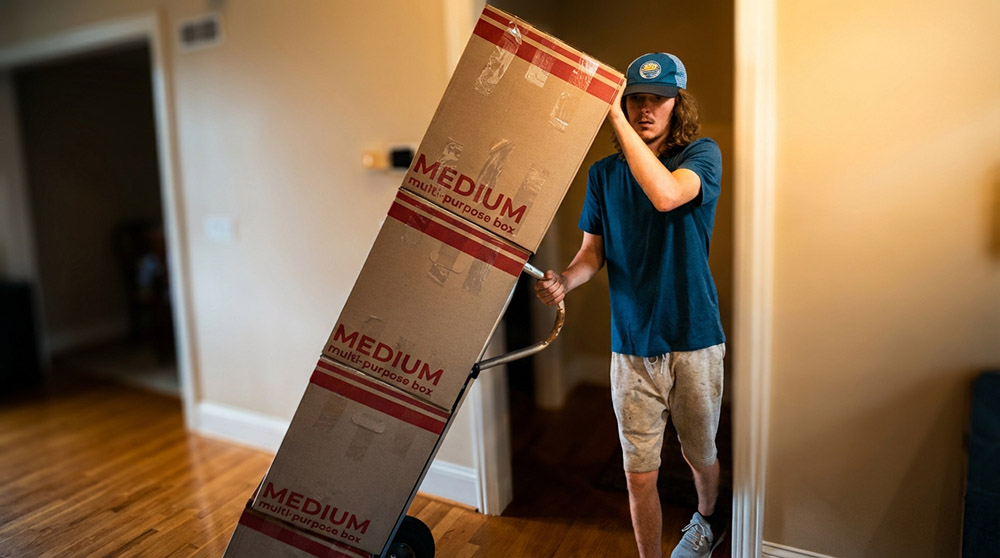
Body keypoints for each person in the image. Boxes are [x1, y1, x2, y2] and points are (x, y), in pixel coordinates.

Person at [535, 52, 727, 558]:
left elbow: (665, 195)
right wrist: (566, 282)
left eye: (657, 99)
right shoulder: (603, 175)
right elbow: (591, 252)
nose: (645, 109)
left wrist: (611, 114)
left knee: (699, 453)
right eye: (635, 99)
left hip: (695, 337)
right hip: (632, 346)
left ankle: (708, 522)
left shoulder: (701, 156)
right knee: (637, 472)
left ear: (675, 104)